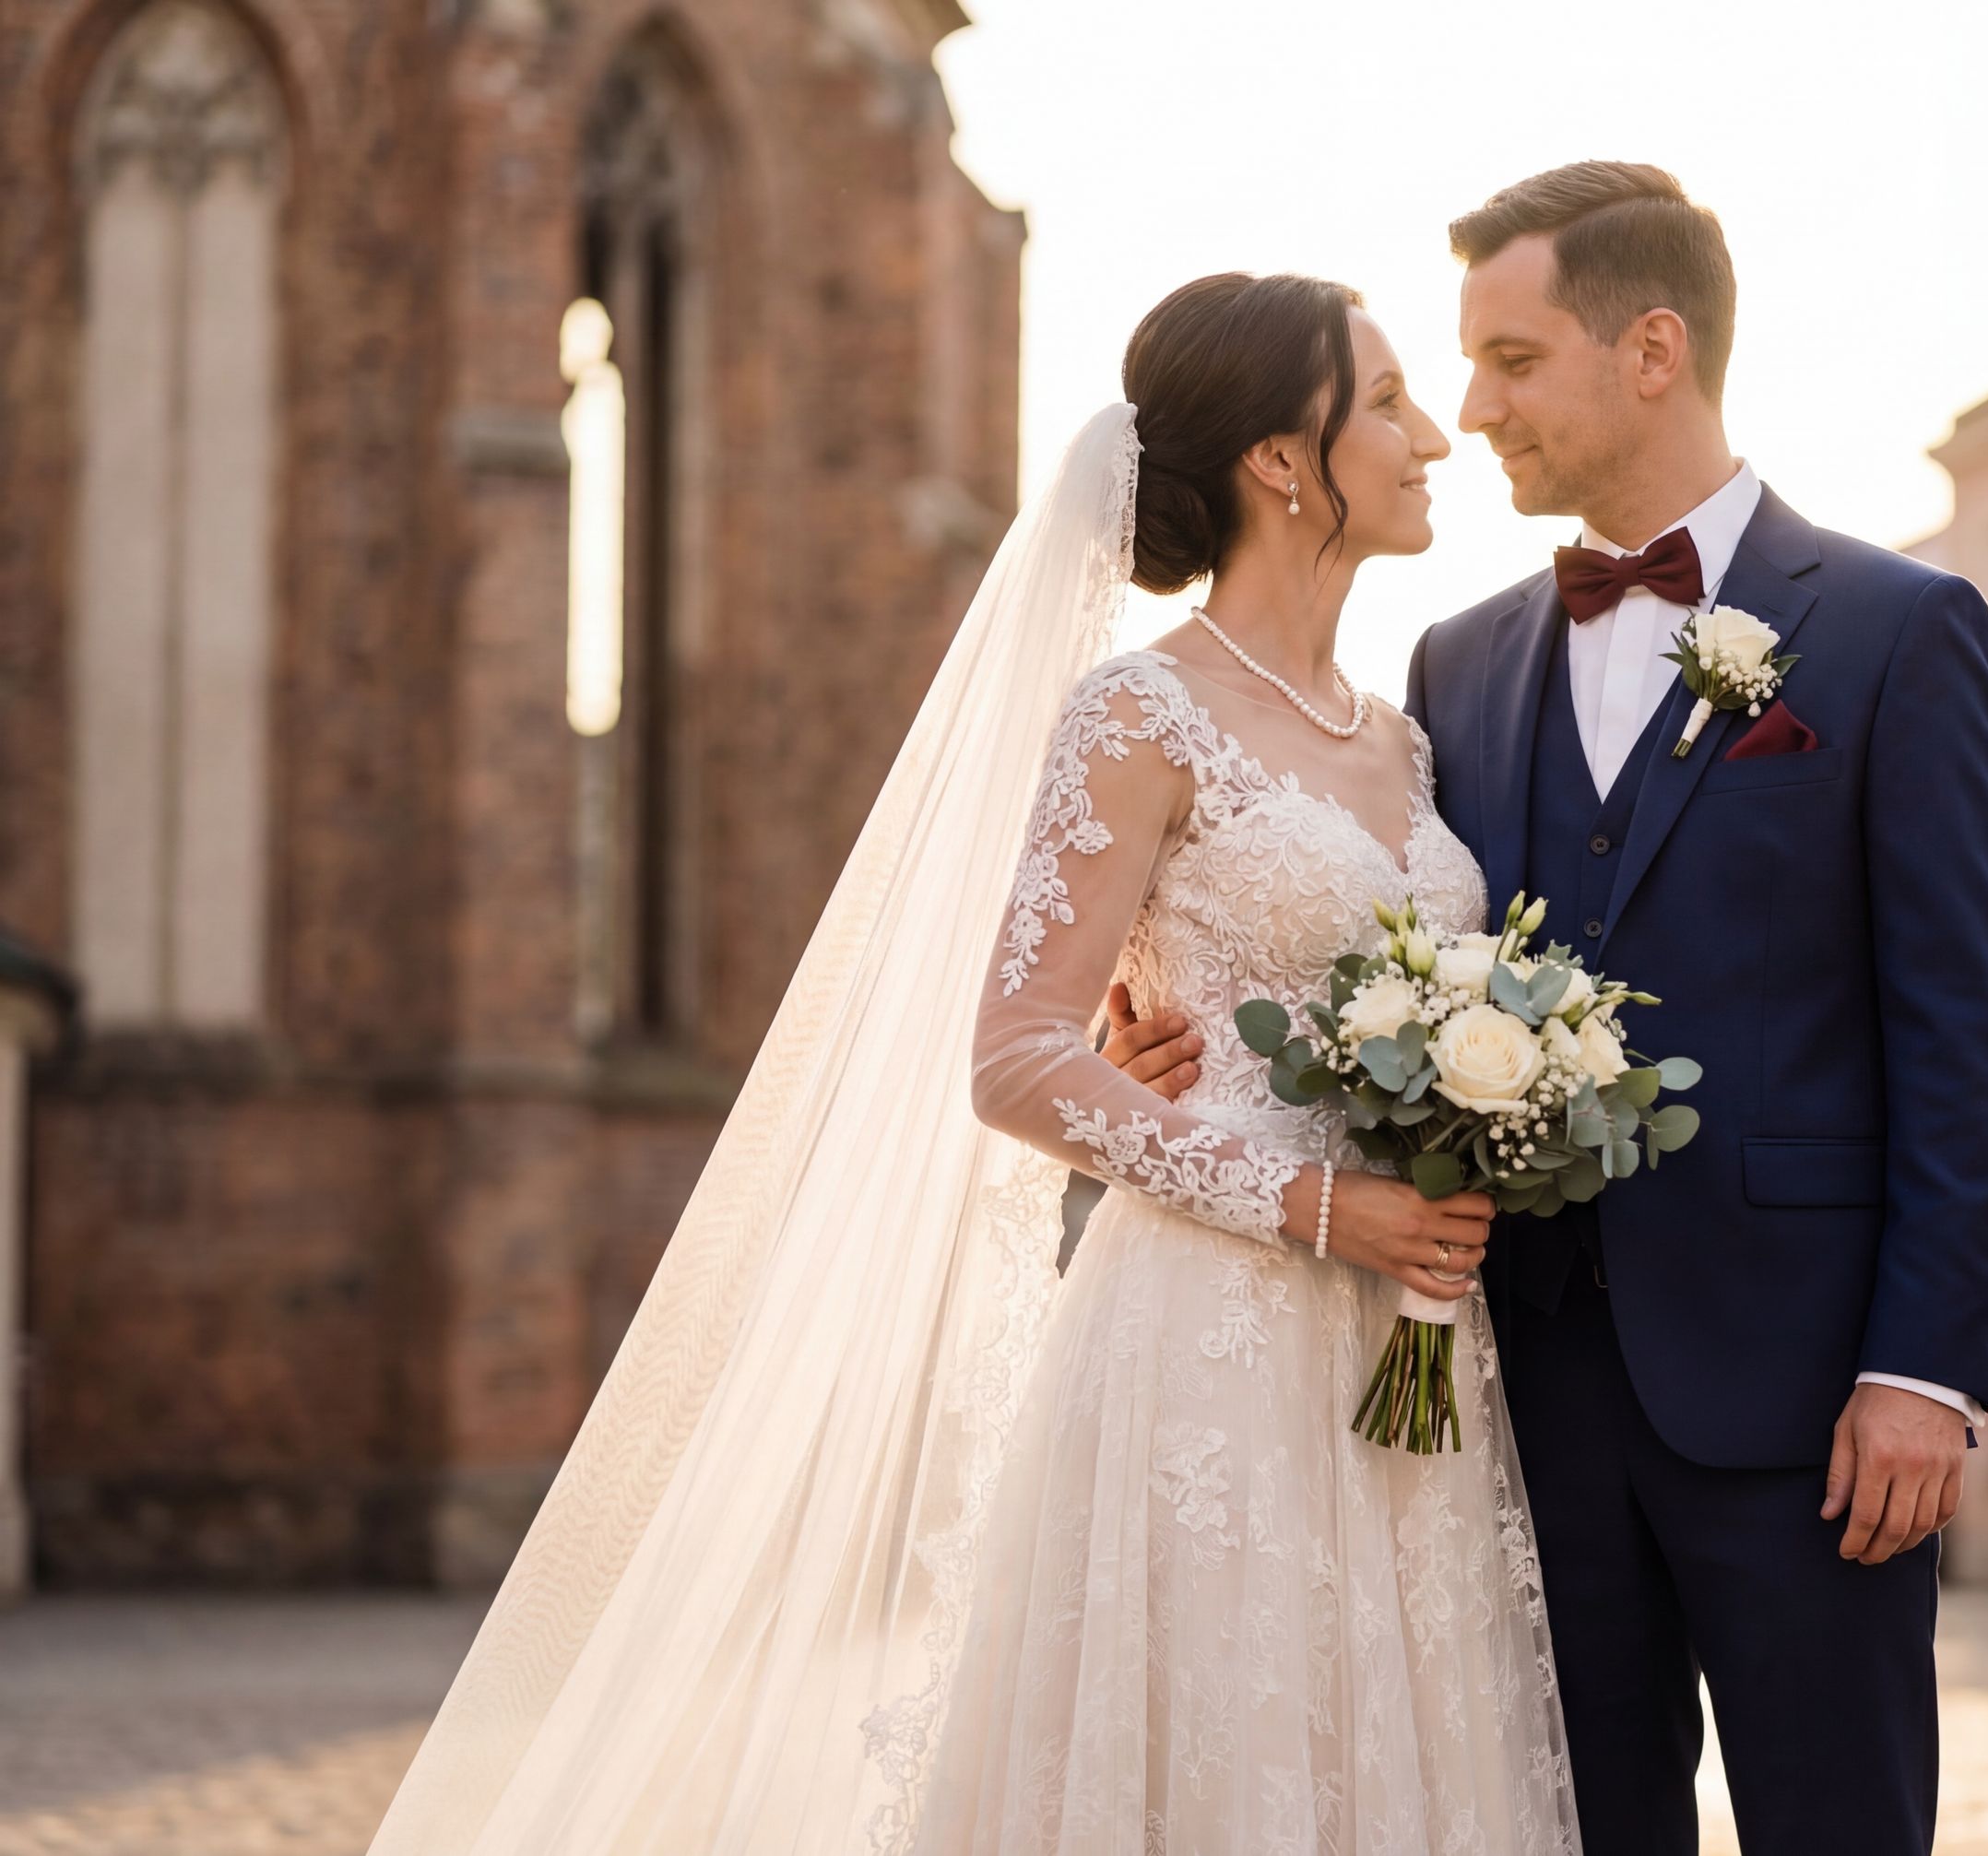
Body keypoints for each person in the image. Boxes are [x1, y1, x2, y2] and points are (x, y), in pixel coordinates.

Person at [367, 274, 1580, 1853]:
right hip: (1215, 1330)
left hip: (1404, 1342)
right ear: (1286, 461)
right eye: (1394, 399)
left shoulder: (1402, 739)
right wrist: (1313, 1202)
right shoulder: (1141, 711)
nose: (1433, 437)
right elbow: (1013, 1056)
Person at [1118, 162, 1988, 1856]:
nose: (1474, 411)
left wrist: (1923, 1365)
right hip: (1512, 1398)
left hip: (1808, 1398)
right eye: (1456, 370)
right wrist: (1154, 1020)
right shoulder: (1452, 668)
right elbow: (1359, 951)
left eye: (1513, 360)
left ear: (1653, 351)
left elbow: (1965, 1026)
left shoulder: (1899, 632)